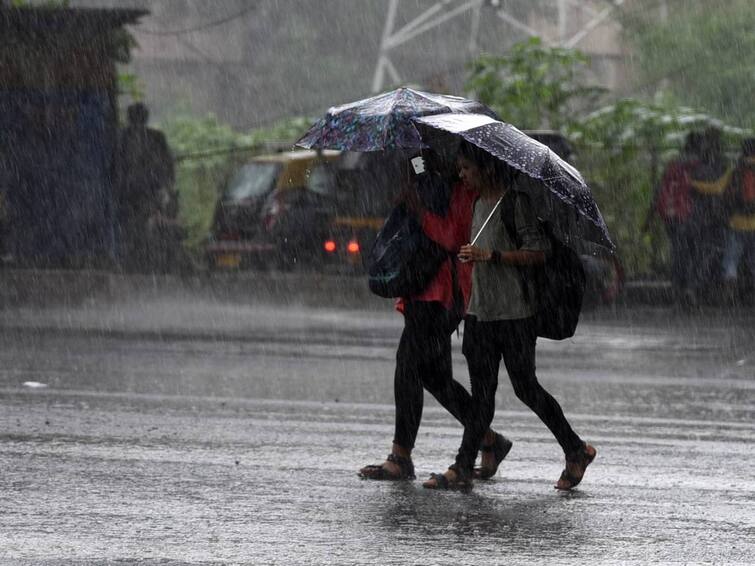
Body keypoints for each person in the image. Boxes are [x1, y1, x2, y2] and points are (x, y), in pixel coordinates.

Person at [422, 143, 595, 491]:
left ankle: (575, 449)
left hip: (515, 315)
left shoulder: (516, 204)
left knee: (526, 388)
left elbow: (538, 252)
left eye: (467, 169)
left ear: (486, 169)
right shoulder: (475, 204)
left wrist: (493, 255)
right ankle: (462, 466)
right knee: (482, 394)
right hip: (479, 314)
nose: (462, 175)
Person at [359, 150, 513, 482]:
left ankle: (401, 456)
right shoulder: (426, 171)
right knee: (434, 376)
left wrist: (422, 199)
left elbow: (451, 234)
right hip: (423, 285)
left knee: (408, 364)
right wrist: (414, 186)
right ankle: (488, 439)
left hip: (445, 291)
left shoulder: (466, 186)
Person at [114, 102, 175, 272]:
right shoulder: (155, 138)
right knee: (142, 227)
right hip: (144, 193)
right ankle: (142, 260)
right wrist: (166, 187)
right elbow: (169, 166)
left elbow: (116, 167)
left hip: (133, 194)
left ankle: (136, 260)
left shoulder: (122, 137)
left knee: (132, 228)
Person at [649, 131, 701, 304]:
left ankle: (677, 289)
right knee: (691, 253)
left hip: (669, 215)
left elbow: (659, 190)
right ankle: (689, 289)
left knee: (678, 252)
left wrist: (650, 217)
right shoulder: (697, 165)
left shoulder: (673, 164)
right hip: (686, 215)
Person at [687, 127, 732, 302]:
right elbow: (721, 189)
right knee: (713, 251)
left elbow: (694, 189)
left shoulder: (696, 164)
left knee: (699, 252)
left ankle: (694, 287)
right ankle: (702, 287)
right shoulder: (722, 163)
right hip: (717, 214)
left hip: (698, 214)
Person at [721, 138, 755, 302]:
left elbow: (719, 188)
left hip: (736, 223)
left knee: (731, 260)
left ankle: (730, 294)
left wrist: (694, 183)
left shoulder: (736, 170)